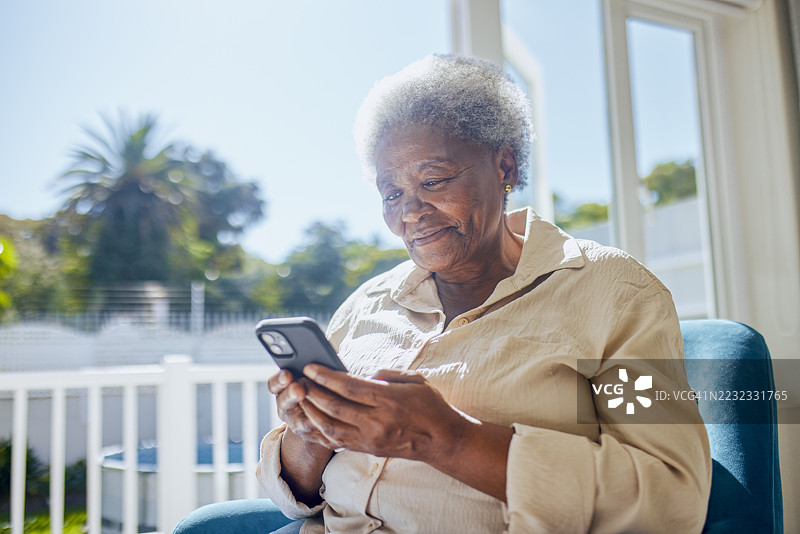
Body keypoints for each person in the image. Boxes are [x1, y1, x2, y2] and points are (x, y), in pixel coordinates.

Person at [254, 54, 712, 534]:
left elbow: (670, 494)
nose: (410, 212)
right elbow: (296, 497)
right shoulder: (366, 304)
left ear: (504, 166)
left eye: (434, 181)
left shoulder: (613, 292)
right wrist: (312, 432)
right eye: (391, 194)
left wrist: (445, 437)